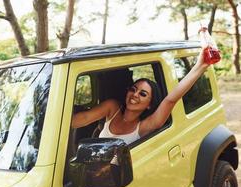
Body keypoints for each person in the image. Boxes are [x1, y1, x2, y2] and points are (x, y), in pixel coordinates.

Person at [71, 49, 210, 144]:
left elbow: (171, 99)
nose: (135, 95)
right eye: (133, 89)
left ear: (149, 103)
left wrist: (201, 65)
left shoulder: (144, 127)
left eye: (143, 94)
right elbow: (83, 118)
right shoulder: (112, 107)